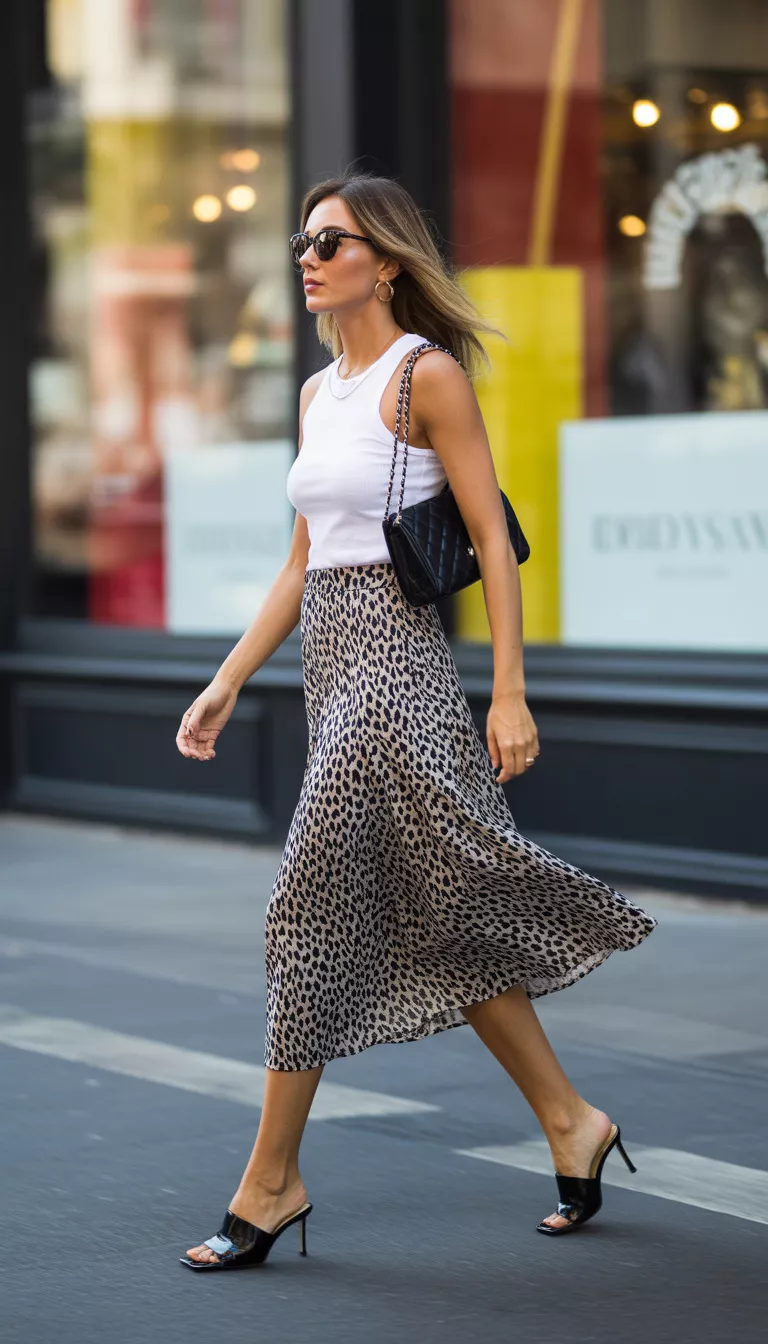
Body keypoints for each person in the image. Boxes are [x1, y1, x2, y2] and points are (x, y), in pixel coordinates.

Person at [176, 173, 657, 1271]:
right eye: (304, 242)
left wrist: (510, 691)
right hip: (329, 668)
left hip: (399, 670)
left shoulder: (422, 375)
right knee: (444, 915)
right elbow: (301, 565)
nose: (309, 259)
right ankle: (572, 1122)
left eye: (331, 242)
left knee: (306, 907)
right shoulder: (318, 393)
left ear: (385, 262)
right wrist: (227, 679)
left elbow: (490, 536)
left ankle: (271, 1182)